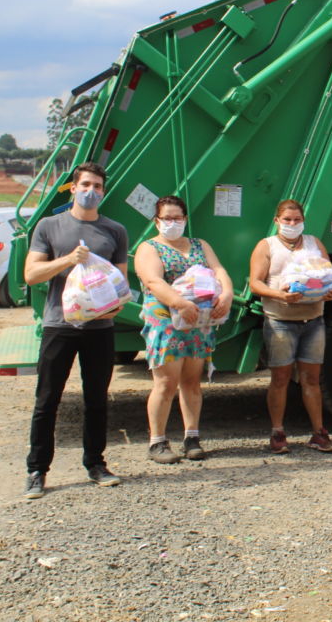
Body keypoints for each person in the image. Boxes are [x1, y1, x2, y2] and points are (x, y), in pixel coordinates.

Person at [21, 162, 128, 500]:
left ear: (103, 191)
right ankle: (37, 470)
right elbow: (32, 275)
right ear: (72, 187)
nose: (91, 191)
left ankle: (96, 464)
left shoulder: (115, 231)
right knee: (47, 399)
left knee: (96, 399)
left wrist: (113, 305)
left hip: (99, 328)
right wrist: (68, 261)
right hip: (59, 324)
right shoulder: (50, 226)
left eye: (97, 186)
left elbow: (120, 283)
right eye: (85, 184)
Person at [134, 196, 234, 463]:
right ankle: (158, 442)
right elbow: (153, 281)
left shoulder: (200, 245)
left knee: (192, 381)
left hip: (198, 322)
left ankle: (192, 438)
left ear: (185, 219)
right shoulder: (149, 248)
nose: (172, 223)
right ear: (157, 221)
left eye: (177, 218)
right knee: (166, 383)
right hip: (167, 320)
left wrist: (227, 294)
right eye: (167, 218)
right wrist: (179, 303)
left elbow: (219, 270)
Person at [250, 200, 332, 454]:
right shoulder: (266, 246)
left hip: (313, 321)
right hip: (280, 322)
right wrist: (280, 295)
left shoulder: (314, 244)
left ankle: (319, 433)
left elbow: (329, 275)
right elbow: (256, 283)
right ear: (277, 220)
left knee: (311, 379)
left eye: (297, 220)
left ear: (303, 221)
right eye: (287, 220)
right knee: (280, 379)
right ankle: (277, 433)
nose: (292, 224)